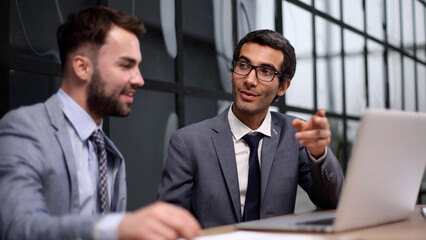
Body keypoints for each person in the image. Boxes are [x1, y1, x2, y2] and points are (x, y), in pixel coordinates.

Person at [0, 6, 200, 240]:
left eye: (138, 66)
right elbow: (18, 227)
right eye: (126, 65)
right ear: (82, 67)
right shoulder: (25, 128)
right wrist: (118, 227)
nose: (139, 79)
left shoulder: (109, 152)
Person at [157, 29, 345, 228]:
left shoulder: (294, 134)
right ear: (232, 73)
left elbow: (334, 201)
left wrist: (319, 153)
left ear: (283, 87)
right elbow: (167, 223)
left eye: (266, 71)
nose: (249, 80)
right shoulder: (188, 142)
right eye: (243, 65)